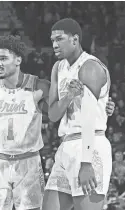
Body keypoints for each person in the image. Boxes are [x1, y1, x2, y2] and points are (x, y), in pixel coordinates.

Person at [0, 35, 115, 210]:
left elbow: (62, 109)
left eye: (4, 58)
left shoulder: (38, 86)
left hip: (28, 163)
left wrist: (103, 106)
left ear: (18, 60)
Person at [43, 18, 113, 210]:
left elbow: (90, 117)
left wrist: (86, 162)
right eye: (52, 40)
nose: (54, 44)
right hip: (65, 145)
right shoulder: (58, 68)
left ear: (75, 39)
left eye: (59, 39)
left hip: (89, 146)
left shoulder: (90, 67)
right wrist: (68, 96)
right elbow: (53, 115)